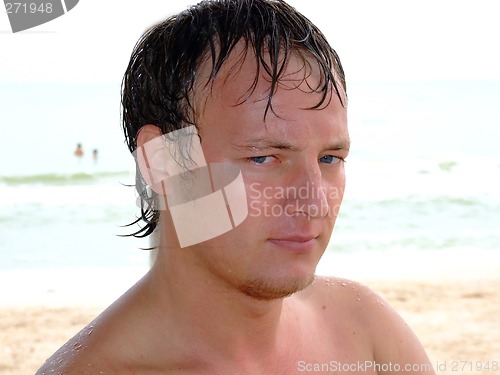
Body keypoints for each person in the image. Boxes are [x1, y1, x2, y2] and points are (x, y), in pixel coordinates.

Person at [37, 0, 436, 373]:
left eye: (329, 158)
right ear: (164, 161)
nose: (314, 201)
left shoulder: (364, 331)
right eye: (263, 158)